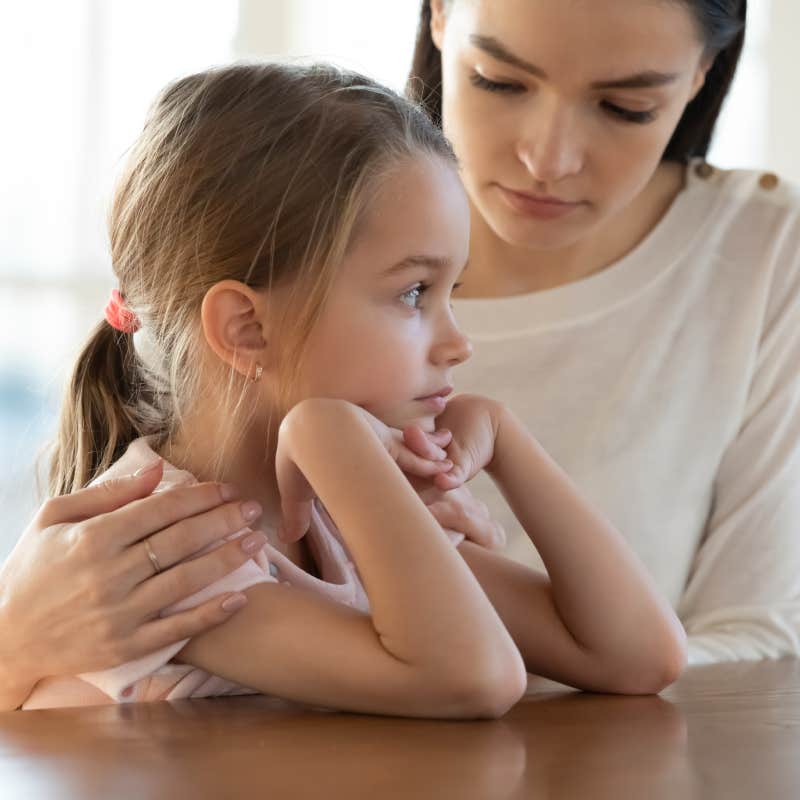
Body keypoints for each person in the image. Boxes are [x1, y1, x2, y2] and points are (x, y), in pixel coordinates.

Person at [17, 62, 685, 713]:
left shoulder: (341, 512)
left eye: (452, 290)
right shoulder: (166, 551)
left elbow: (637, 658)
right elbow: (472, 679)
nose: (459, 343)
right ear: (247, 328)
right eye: (414, 292)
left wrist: (505, 437)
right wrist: (326, 432)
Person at [406, 0, 800, 665]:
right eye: (500, 81)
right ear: (439, 15)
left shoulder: (763, 253)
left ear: (703, 71)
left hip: (643, 763)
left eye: (625, 108)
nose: (548, 159)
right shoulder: (291, 233)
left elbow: (763, 634)